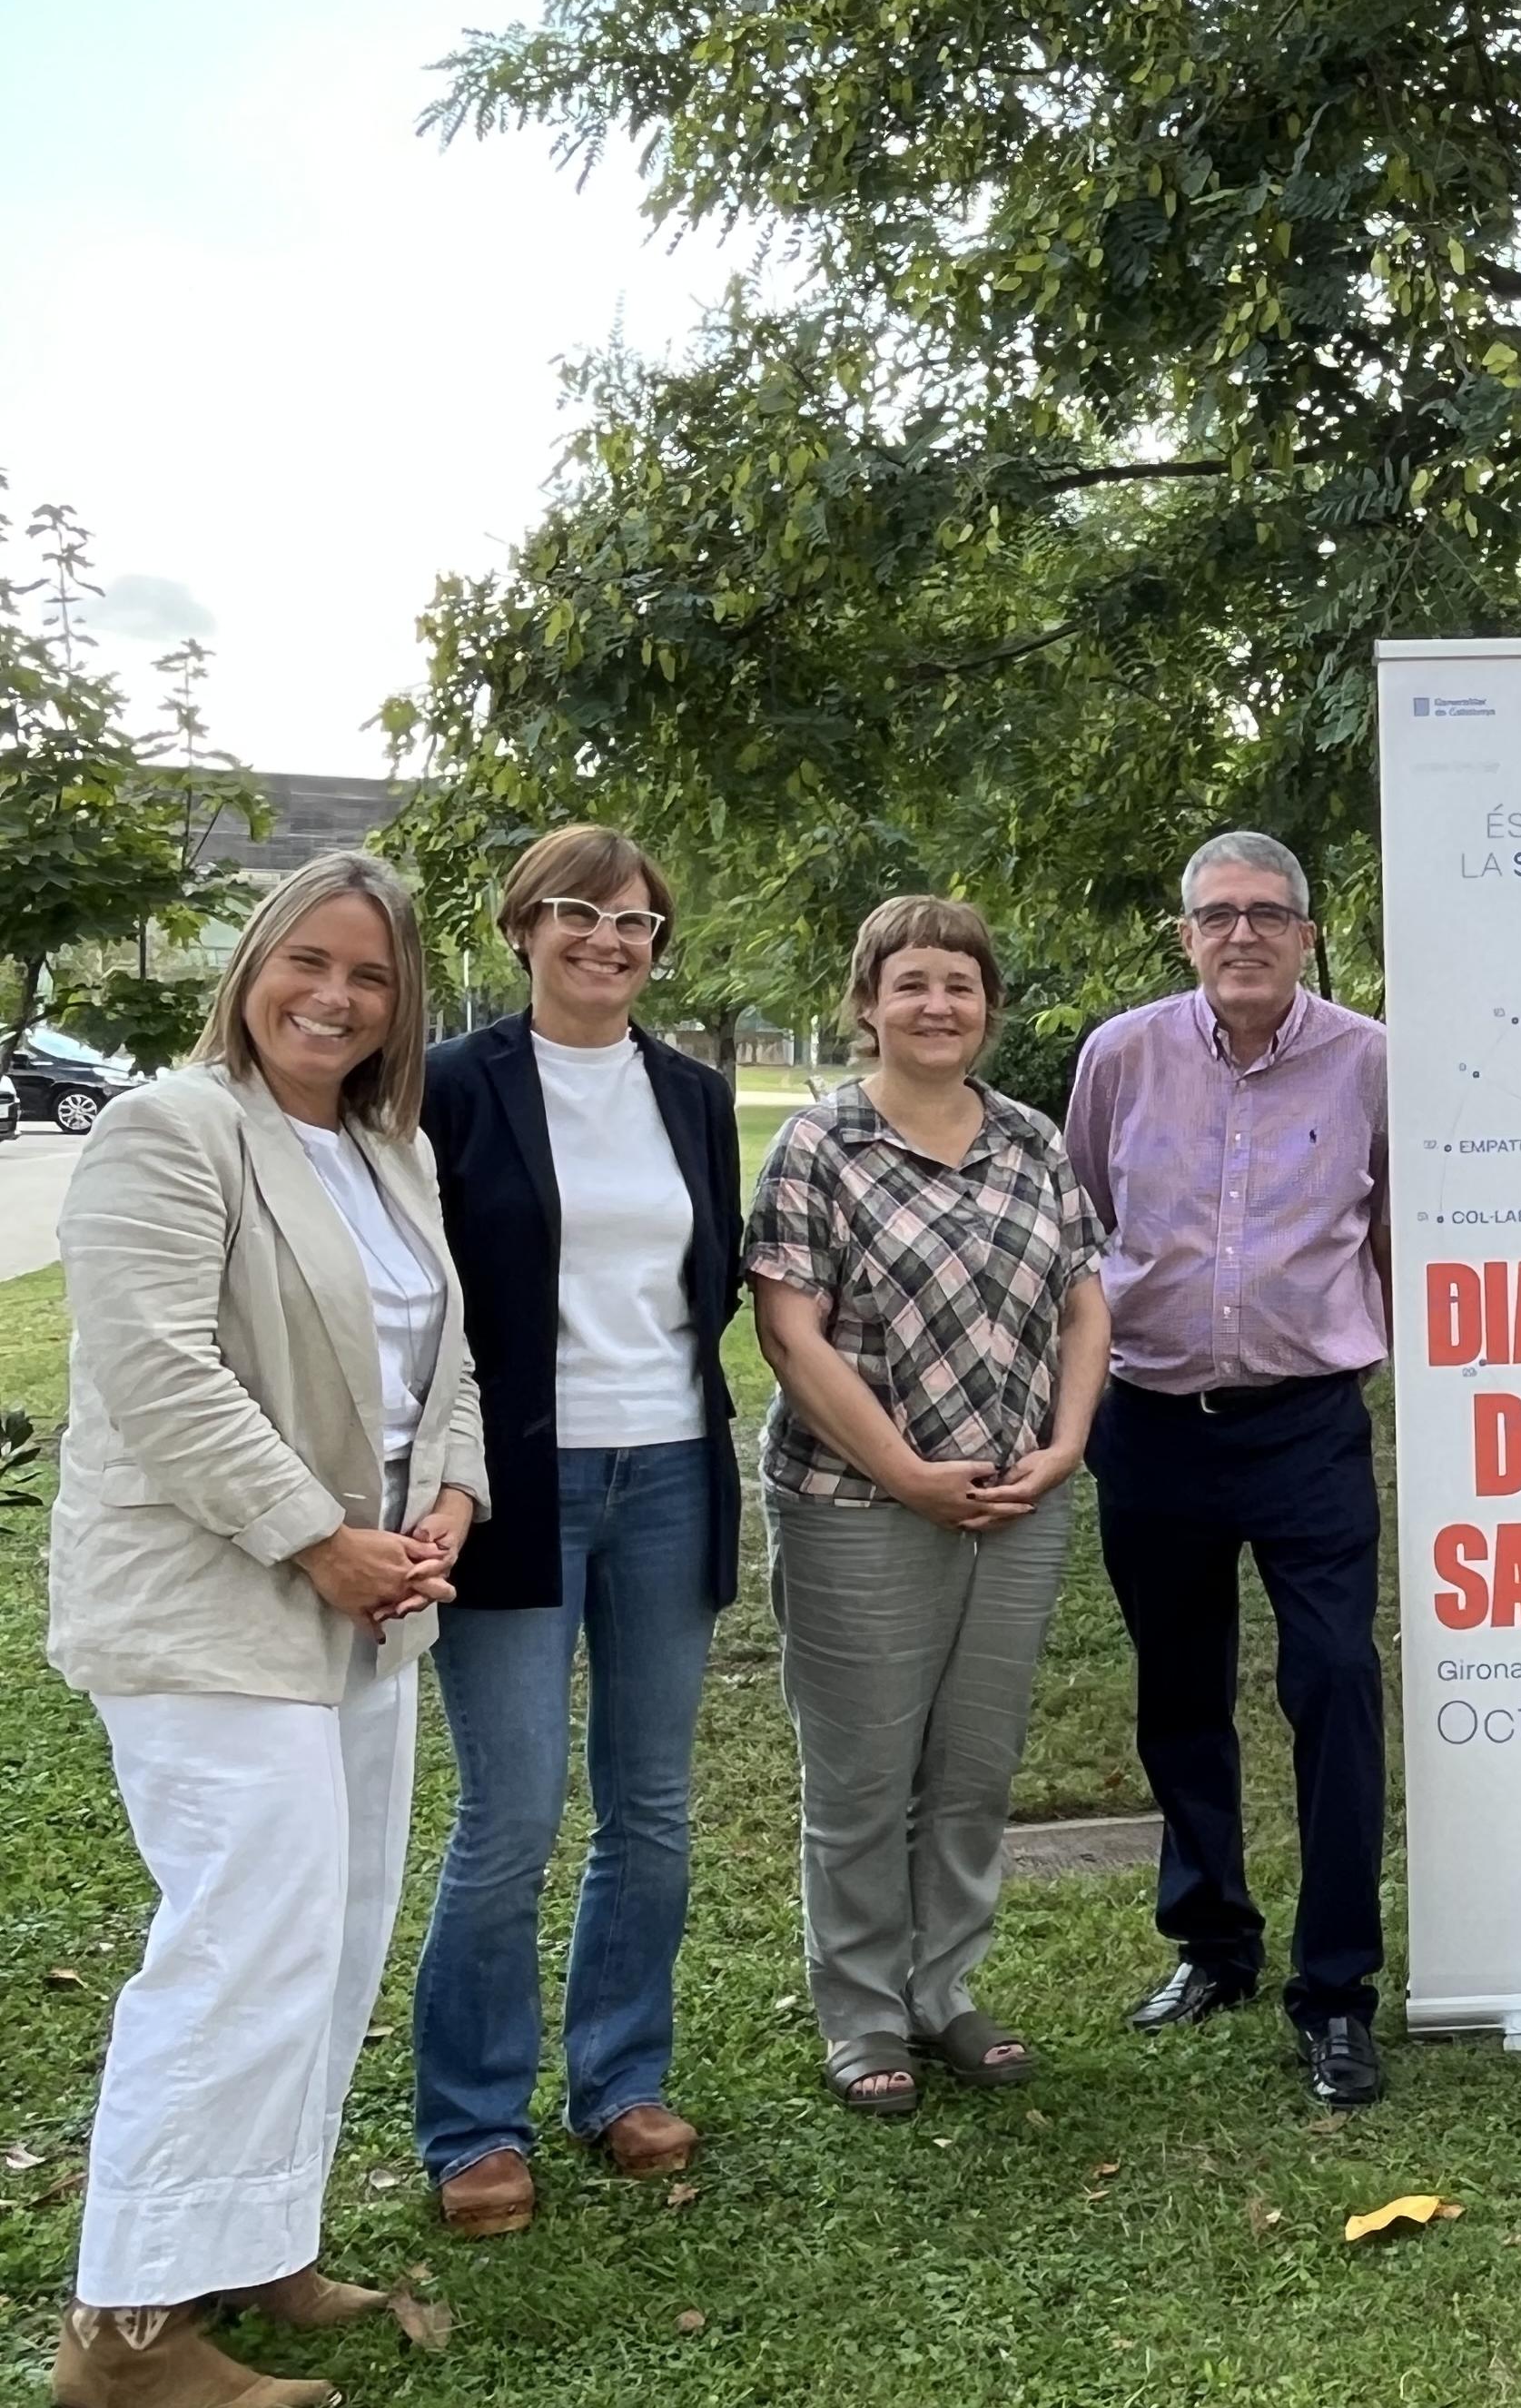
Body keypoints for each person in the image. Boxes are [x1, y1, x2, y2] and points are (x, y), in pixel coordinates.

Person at [46, 854, 484, 2408]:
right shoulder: (175, 1130)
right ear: (252, 964)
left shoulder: (389, 1149)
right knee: (245, 1940)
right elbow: (159, 1371)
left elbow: (450, 1362)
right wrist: (319, 1538)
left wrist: (448, 1498)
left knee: (337, 1930)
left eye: (369, 976)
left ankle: (257, 2246)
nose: (335, 997)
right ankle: (126, 2332)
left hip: (370, 1606)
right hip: (214, 1603)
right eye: (309, 961)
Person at [412, 825, 742, 2240]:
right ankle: (473, 2123)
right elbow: (421, 1297)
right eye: (576, 915)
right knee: (514, 1812)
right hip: (515, 1481)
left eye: (635, 924)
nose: (607, 942)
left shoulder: (695, 1095)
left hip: (668, 1468)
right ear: (520, 930)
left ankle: (620, 2080)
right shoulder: (447, 1090)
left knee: (653, 1807)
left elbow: (708, 1282)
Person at [746, 895, 1109, 2116]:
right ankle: (860, 2014)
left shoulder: (1031, 1142)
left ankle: (942, 1988)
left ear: (988, 1007)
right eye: (911, 984)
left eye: (959, 983)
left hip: (1017, 1502)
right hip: (858, 1503)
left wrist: (1064, 1445)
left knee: (971, 1767)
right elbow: (789, 1333)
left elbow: (1082, 1298)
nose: (937, 1004)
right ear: (867, 1004)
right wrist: (903, 1470)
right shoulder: (819, 1149)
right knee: (860, 1777)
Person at [1064, 831, 1394, 2106]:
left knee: (1335, 1684)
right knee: (1179, 1692)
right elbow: (1095, 1213)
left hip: (1306, 1423)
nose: (1242, 934)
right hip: (1151, 1421)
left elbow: (1398, 1228)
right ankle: (1213, 1942)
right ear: (1186, 934)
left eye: (1268, 914)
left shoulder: (1369, 1061)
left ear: (1308, 935)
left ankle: (1337, 1989)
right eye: (1218, 915)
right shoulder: (1121, 1056)